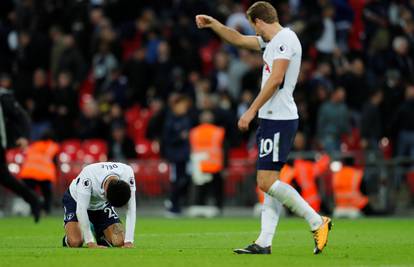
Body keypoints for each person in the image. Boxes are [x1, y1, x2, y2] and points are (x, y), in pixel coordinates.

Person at [196, 1, 331, 255]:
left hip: (279, 118)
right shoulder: (273, 41)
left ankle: (317, 221)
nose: (254, 33)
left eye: (253, 26)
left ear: (258, 21)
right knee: (270, 182)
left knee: (266, 181)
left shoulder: (284, 40)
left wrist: (251, 109)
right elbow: (237, 40)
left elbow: (276, 78)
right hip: (272, 119)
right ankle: (264, 242)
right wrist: (214, 24)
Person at [62, 162, 136, 248]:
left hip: (101, 205)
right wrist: (90, 242)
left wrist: (129, 241)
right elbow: (81, 210)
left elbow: (131, 209)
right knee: (75, 242)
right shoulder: (89, 175)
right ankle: (71, 234)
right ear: (105, 194)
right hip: (76, 200)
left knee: (120, 241)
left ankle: (99, 234)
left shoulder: (127, 173)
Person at [0, 74, 41, 222]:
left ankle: (33, 200)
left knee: (5, 178)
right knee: (5, 178)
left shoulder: (4, 98)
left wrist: (24, 136)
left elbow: (22, 116)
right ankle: (33, 200)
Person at [18, 131, 60, 214]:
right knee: (47, 194)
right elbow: (55, 162)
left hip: (28, 173)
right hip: (44, 174)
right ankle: (45, 211)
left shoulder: (34, 145)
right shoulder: (53, 146)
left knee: (31, 194)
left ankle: (33, 210)